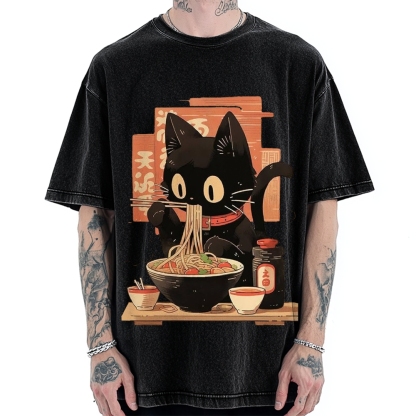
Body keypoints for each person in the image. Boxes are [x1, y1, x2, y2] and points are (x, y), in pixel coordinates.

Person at [45, 1, 374, 415]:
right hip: (140, 377)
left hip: (271, 374)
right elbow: (94, 220)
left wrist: (311, 344)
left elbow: (323, 210)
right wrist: (101, 349)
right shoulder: (115, 67)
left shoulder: (297, 64)